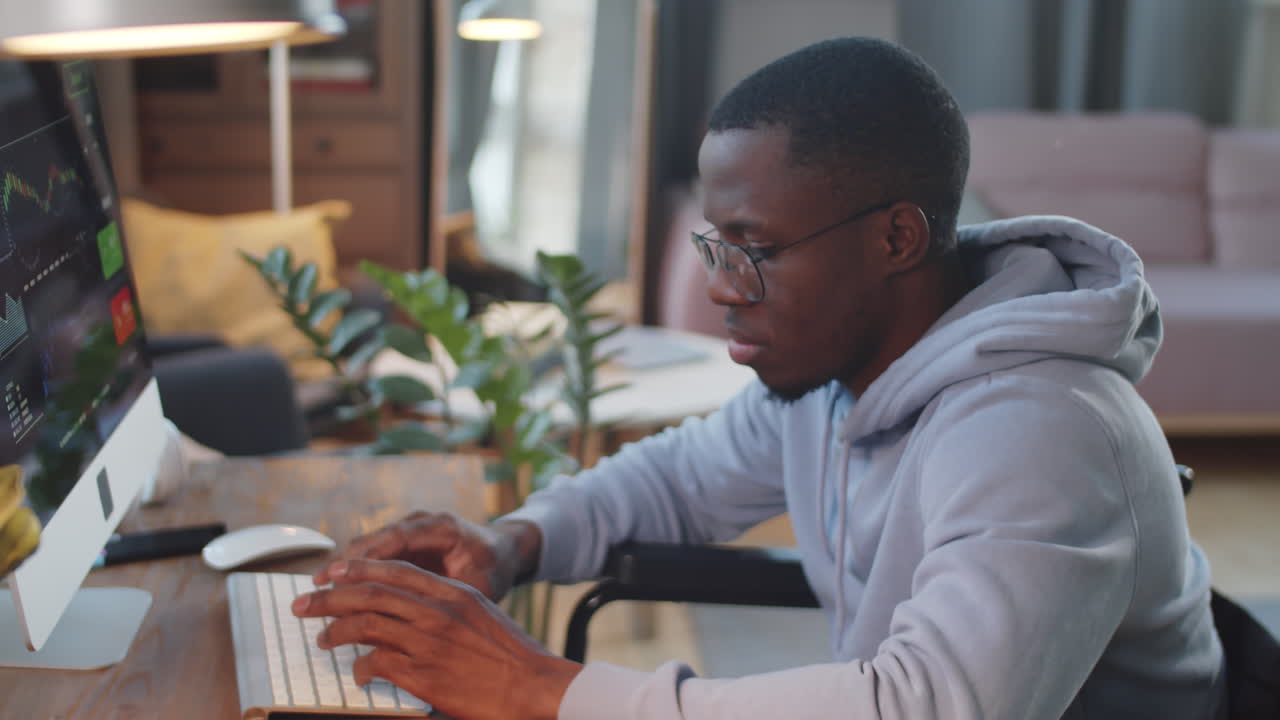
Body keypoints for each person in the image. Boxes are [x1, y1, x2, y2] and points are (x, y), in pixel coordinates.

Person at [291, 37, 1226, 720]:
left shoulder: (1041, 429)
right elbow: (679, 479)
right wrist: (511, 542)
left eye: (755, 249)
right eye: (716, 244)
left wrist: (539, 687)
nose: (720, 287)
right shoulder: (837, 371)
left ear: (896, 238)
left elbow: (928, 706)